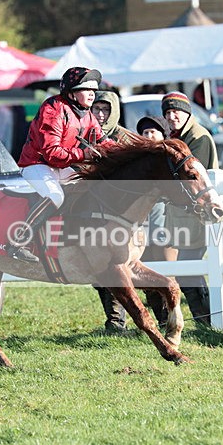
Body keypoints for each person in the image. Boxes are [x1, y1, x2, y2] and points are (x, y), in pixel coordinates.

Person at [9, 67, 111, 262]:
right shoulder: (53, 108)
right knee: (55, 196)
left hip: (61, 165)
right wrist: (85, 154)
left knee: (90, 185)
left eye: (93, 90)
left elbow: (104, 141)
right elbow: (52, 153)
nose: (92, 94)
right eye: (86, 89)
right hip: (36, 163)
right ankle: (18, 242)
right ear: (72, 92)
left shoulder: (87, 114)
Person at [161, 91, 218, 327]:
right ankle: (207, 321)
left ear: (187, 113)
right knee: (189, 269)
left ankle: (207, 320)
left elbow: (192, 178)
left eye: (177, 111)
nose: (173, 116)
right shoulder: (176, 136)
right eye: (168, 112)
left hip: (199, 215)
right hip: (184, 215)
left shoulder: (198, 138)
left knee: (188, 269)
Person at [89, 90, 133, 334]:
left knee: (117, 266)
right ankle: (114, 320)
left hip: (121, 215)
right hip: (91, 211)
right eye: (97, 109)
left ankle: (119, 322)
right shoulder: (85, 134)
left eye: (106, 109)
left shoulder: (126, 139)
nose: (101, 114)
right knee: (98, 270)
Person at [136, 115, 173, 325]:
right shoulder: (137, 159)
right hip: (141, 225)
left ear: (162, 134)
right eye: (145, 133)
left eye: (153, 132)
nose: (149, 136)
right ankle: (160, 318)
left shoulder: (169, 157)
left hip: (163, 225)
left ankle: (171, 315)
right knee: (146, 273)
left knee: (166, 270)